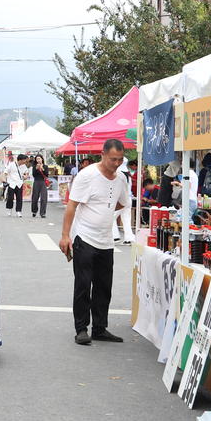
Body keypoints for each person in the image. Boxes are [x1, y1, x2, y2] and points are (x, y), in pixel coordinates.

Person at [60, 141, 130, 345]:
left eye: (120, 160)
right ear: (103, 154)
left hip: (106, 240)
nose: (116, 164)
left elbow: (122, 202)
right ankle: (81, 329)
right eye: (113, 159)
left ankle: (100, 328)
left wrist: (103, 210)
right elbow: (72, 205)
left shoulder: (121, 179)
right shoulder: (87, 175)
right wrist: (65, 235)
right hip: (85, 237)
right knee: (83, 284)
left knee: (104, 286)